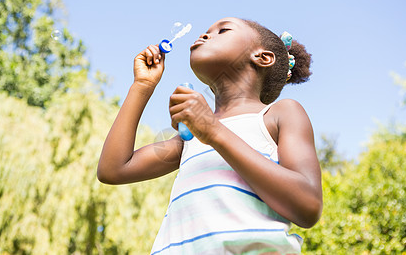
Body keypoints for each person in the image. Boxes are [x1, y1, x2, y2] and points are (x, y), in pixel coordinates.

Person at [97, 17, 323, 254]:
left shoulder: (280, 113)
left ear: (263, 57)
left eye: (223, 30)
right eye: (206, 31)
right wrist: (142, 85)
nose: (204, 35)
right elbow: (114, 169)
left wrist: (213, 131)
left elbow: (308, 206)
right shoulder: (192, 136)